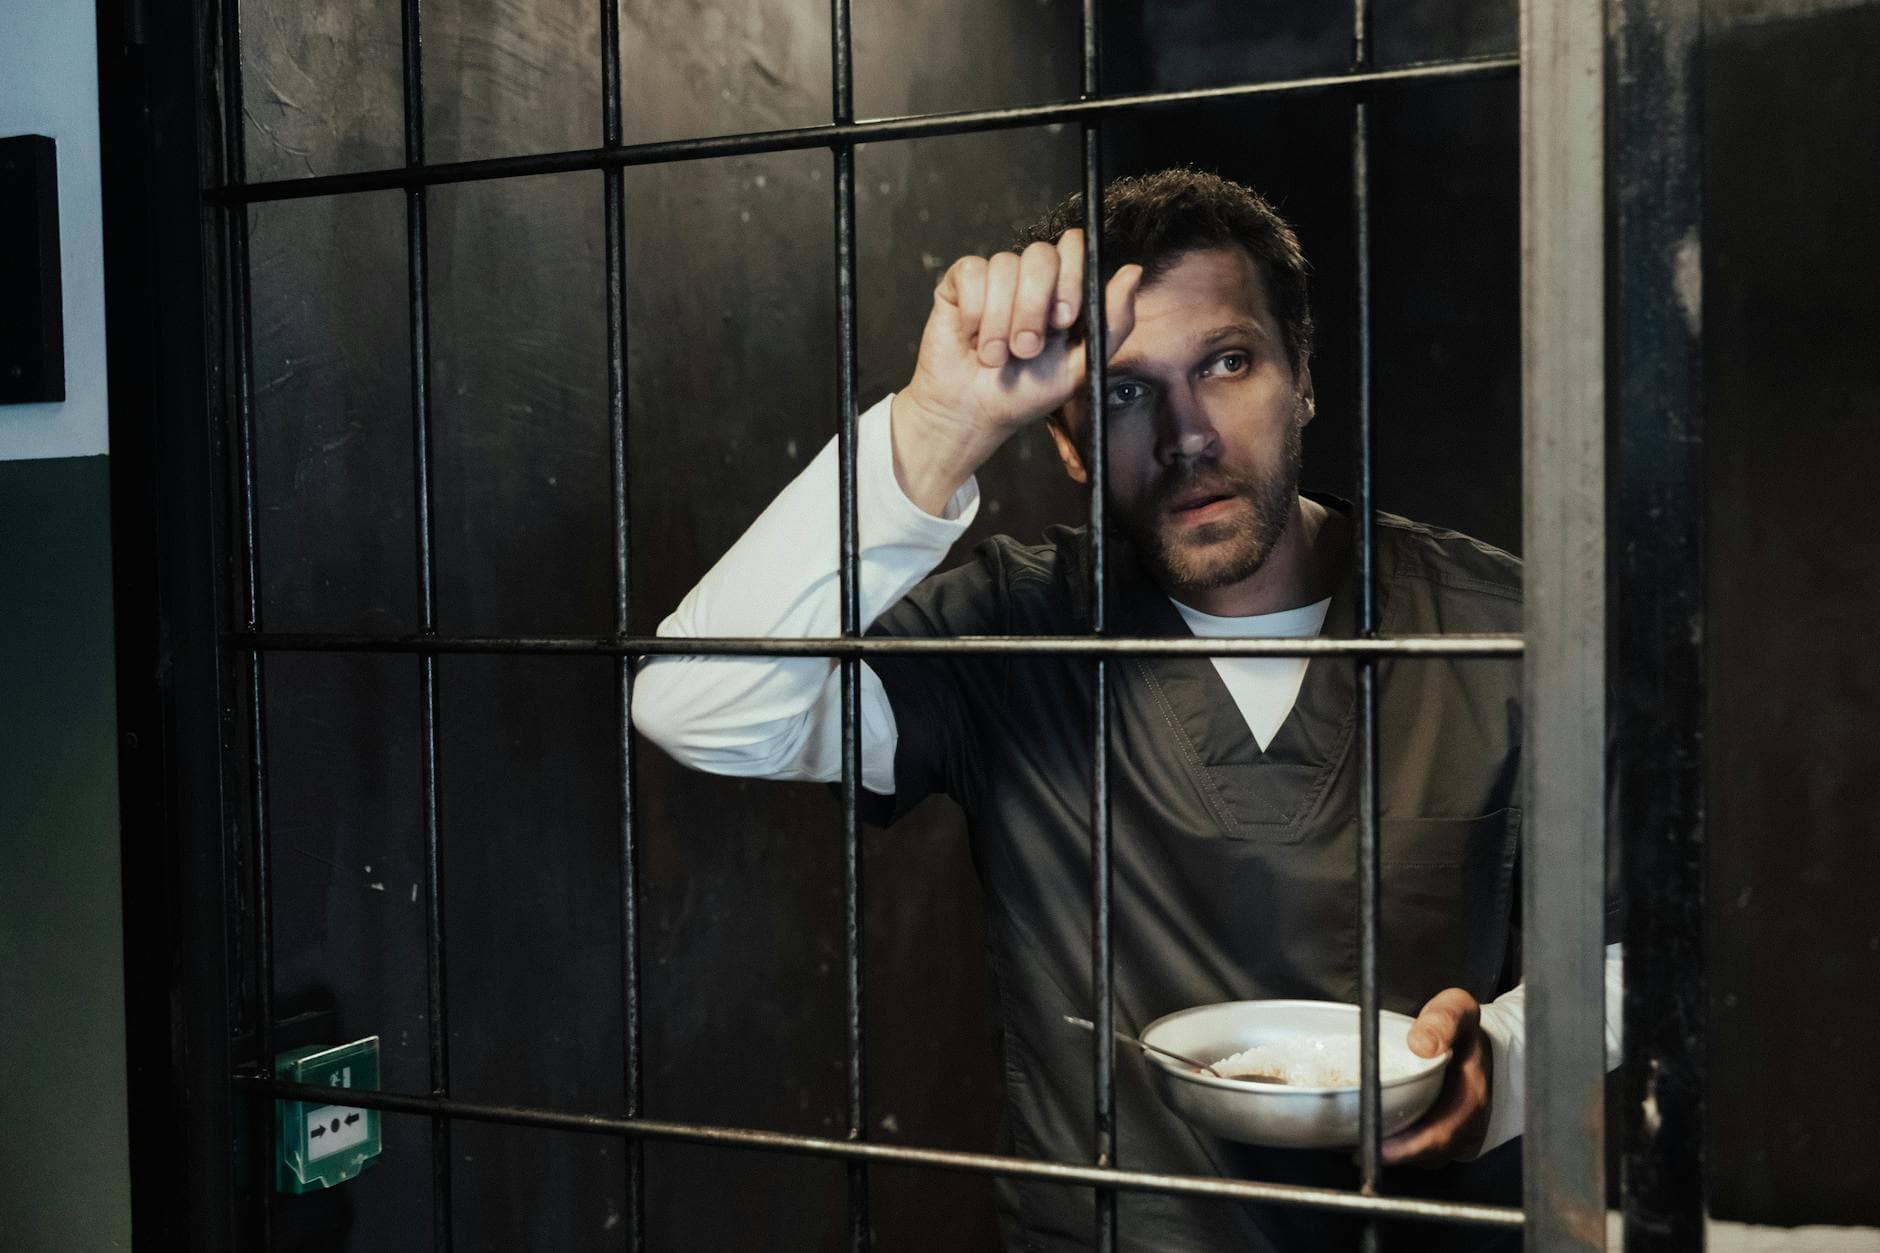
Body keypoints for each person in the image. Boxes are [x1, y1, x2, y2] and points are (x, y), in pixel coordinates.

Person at [632, 168, 1620, 1250]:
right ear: (1059, 441)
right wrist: (934, 422)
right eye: (1119, 389)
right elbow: (694, 703)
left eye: (1227, 362)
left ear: (1302, 379)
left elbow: (1647, 944)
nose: (1185, 431)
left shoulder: (1503, 628)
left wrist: (1508, 1062)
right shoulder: (1019, 629)